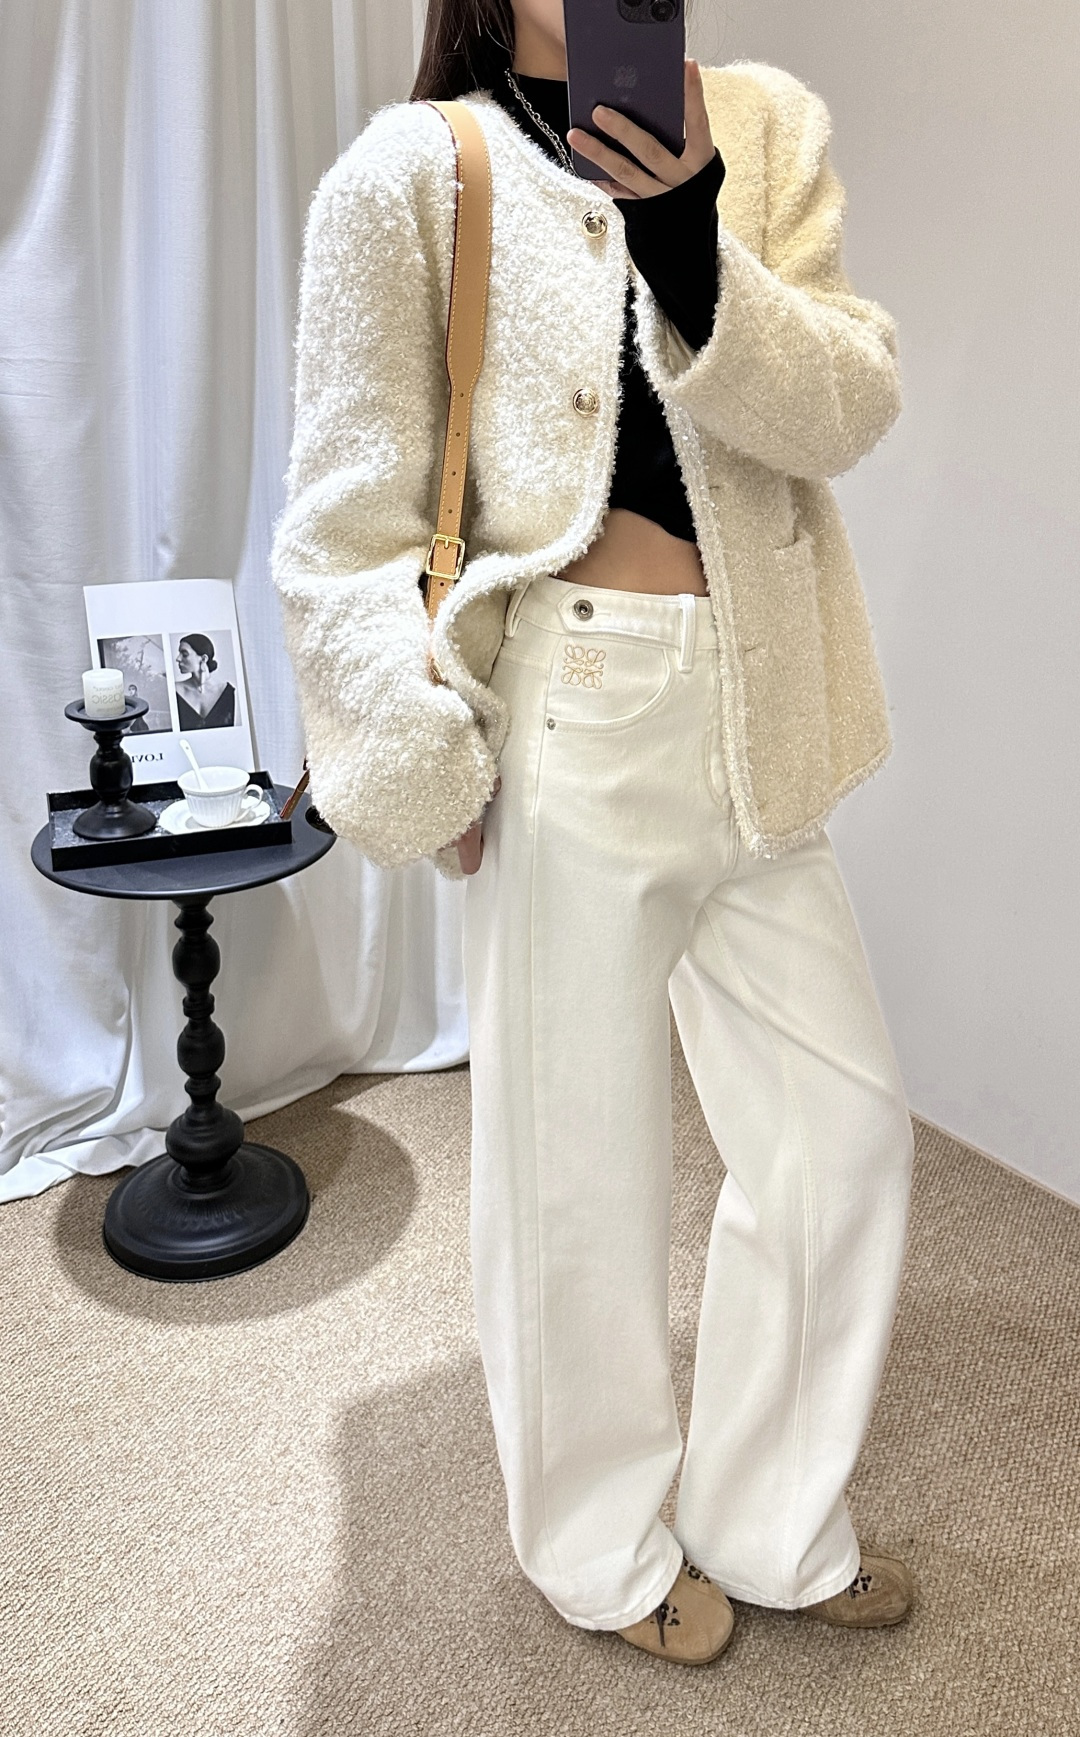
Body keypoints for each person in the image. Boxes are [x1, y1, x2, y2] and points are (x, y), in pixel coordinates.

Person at [270, 0, 915, 1666]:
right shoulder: (417, 170)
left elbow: (848, 406)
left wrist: (692, 230)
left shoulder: (764, 124)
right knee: (577, 1172)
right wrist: (419, 742)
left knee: (840, 1139)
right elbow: (343, 521)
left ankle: (771, 1516)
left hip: (766, 705)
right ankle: (599, 1548)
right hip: (572, 708)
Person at [174, 633, 236, 730]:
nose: (178, 659)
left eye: (184, 654)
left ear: (203, 659)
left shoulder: (228, 691)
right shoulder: (174, 690)